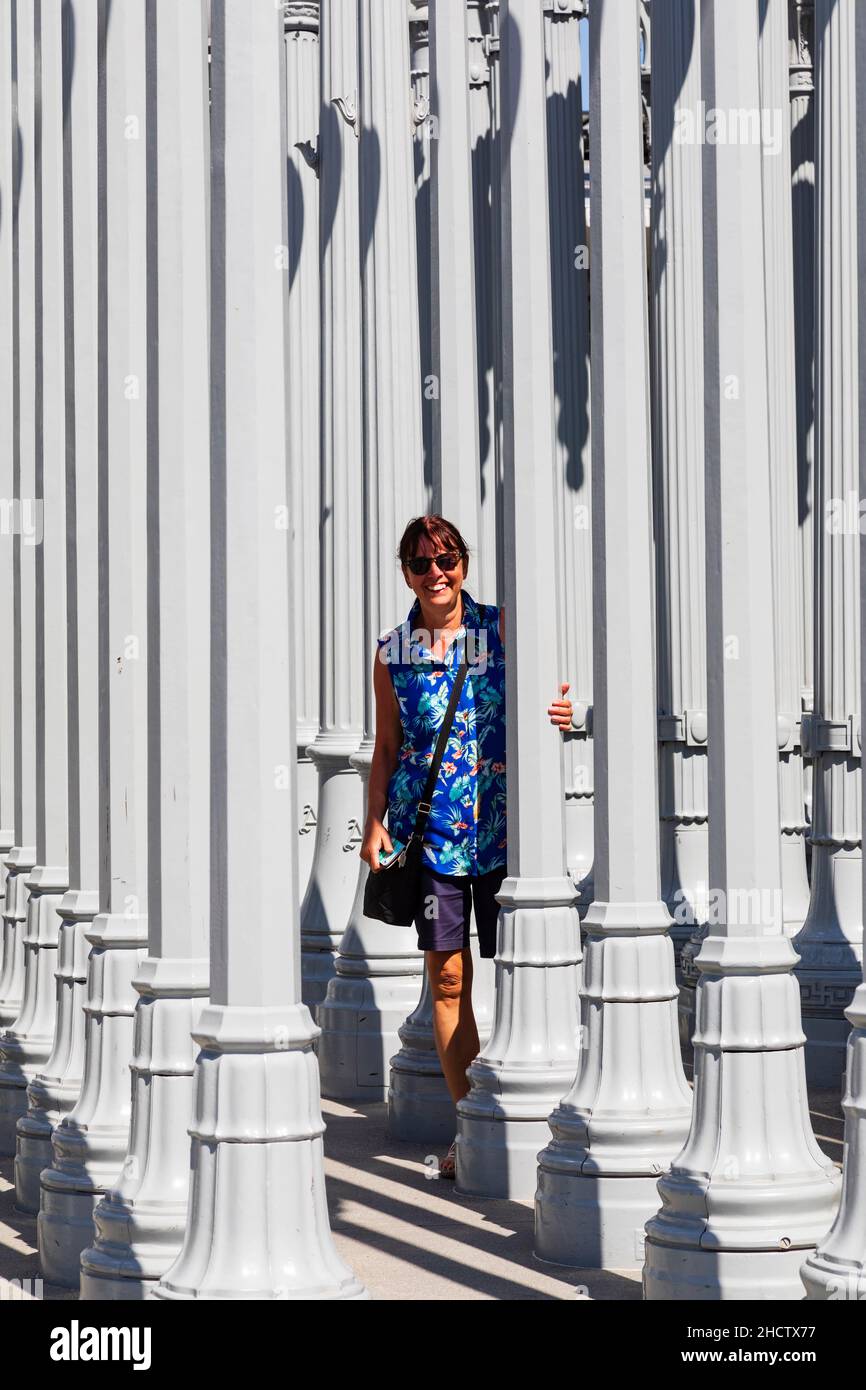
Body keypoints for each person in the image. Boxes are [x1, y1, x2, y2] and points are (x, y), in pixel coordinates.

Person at [360, 515, 573, 1178]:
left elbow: (552, 698)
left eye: (447, 559)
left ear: (464, 564)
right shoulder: (393, 651)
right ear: (405, 572)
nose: (436, 573)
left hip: (508, 832)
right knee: (448, 980)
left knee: (531, 974)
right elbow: (388, 746)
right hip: (434, 841)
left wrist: (565, 712)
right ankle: (473, 1126)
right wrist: (374, 822)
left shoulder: (502, 630)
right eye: (422, 564)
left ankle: (545, 1118)